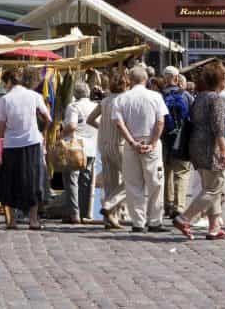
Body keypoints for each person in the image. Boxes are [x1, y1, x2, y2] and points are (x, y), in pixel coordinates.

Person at [173, 62, 225, 240]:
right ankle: (184, 218)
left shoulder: (200, 96)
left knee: (209, 186)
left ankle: (214, 227)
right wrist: (224, 149)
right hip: (209, 146)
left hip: (196, 144)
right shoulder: (215, 98)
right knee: (215, 186)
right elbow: (218, 127)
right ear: (220, 79)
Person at [0, 68, 52, 230]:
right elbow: (48, 117)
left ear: (9, 82)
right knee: (32, 181)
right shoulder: (34, 96)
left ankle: (12, 221)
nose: (4, 87)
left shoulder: (5, 100)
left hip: (11, 144)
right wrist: (40, 132)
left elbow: (1, 126)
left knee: (11, 181)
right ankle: (33, 220)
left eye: (5, 83)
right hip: (32, 142)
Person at [113, 66, 168, 233]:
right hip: (150, 141)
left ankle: (137, 222)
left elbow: (119, 123)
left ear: (130, 80)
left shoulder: (122, 98)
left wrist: (132, 142)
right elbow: (160, 122)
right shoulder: (155, 97)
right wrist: (152, 142)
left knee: (133, 184)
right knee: (155, 183)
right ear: (145, 79)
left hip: (132, 143)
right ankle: (155, 220)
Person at [87, 69, 128, 229]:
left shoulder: (105, 101)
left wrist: (102, 127)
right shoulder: (125, 100)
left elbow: (90, 119)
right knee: (133, 179)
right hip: (120, 144)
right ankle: (110, 205)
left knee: (110, 182)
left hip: (103, 144)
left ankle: (111, 218)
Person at [62, 81, 98, 224]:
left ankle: (74, 213)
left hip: (75, 147)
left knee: (72, 180)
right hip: (91, 148)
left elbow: (72, 125)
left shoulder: (73, 106)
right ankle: (84, 212)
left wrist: (61, 135)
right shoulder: (95, 106)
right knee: (86, 180)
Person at [159, 66, 192, 218]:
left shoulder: (160, 96)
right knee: (182, 173)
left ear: (165, 79)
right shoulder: (186, 95)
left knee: (167, 172)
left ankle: (168, 205)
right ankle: (179, 206)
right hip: (183, 138)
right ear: (177, 78)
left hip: (165, 138)